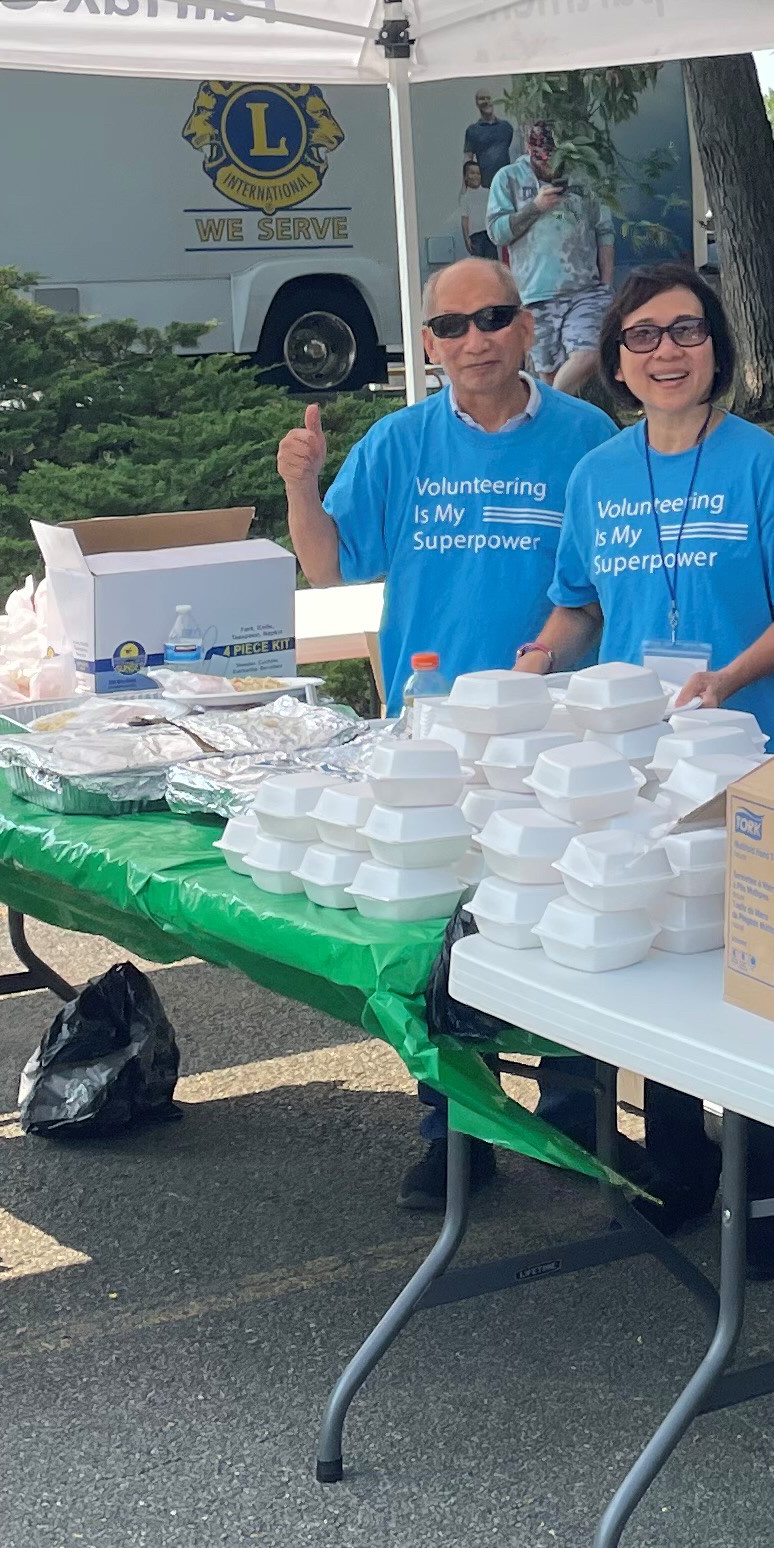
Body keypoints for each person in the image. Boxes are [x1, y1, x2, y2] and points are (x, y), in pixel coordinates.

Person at [281, 255, 617, 1208]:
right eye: (453, 326)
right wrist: (303, 487)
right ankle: (453, 1123)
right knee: (434, 931)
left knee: (555, 915)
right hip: (430, 735)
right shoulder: (396, 444)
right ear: (427, 345)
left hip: (557, 731)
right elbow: (332, 573)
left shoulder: (587, 439)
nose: (474, 340)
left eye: (493, 318)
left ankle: (572, 1101)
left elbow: (600, 588)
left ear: (525, 329)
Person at [523, 261, 774, 1263]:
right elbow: (581, 603)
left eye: (687, 331)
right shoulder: (597, 475)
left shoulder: (760, 463)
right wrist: (536, 660)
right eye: (645, 336)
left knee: (754, 981)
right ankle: (677, 1168)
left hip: (751, 762)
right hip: (638, 772)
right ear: (617, 359)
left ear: (718, 347)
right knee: (659, 962)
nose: (668, 351)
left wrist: (732, 674)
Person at [486, 117, 613, 400]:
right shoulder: (508, 179)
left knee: (589, 353)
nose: (548, 166)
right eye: (542, 160)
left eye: (553, 160)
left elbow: (604, 231)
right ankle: (555, 421)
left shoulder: (583, 178)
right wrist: (536, 207)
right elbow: (497, 232)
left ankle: (549, 403)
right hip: (534, 294)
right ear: (531, 153)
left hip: (585, 290)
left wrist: (606, 283)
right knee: (547, 371)